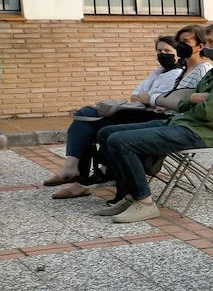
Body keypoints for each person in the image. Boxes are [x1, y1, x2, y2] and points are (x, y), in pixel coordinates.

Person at [94, 22, 213, 224]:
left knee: (119, 141)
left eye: (212, 42)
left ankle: (144, 201)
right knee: (105, 133)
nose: (207, 46)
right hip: (182, 123)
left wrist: (191, 100)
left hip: (200, 133)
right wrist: (193, 99)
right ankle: (132, 195)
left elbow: (210, 112)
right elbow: (186, 101)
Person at [46, 32, 196, 191]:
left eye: (167, 51)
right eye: (159, 51)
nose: (162, 55)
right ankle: (78, 172)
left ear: (178, 54)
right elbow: (135, 95)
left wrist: (148, 98)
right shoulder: (157, 72)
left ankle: (77, 172)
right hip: (138, 113)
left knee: (88, 117)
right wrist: (147, 98)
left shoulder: (179, 74)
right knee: (84, 118)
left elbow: (159, 102)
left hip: (153, 118)